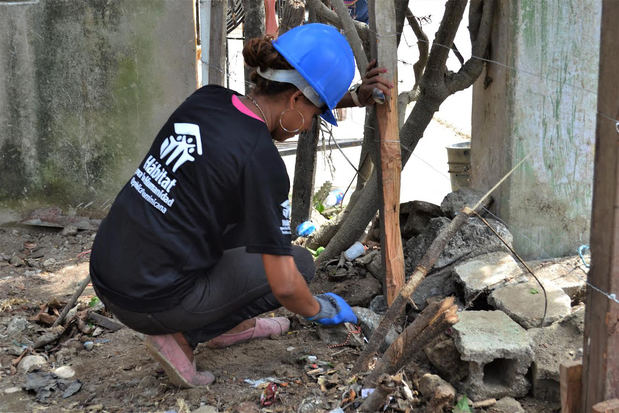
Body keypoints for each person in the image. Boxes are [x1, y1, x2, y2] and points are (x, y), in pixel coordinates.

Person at [89, 23, 392, 388]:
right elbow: (284, 287)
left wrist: (354, 97)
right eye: (314, 115)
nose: (309, 127)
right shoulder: (261, 162)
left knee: (249, 230)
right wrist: (320, 309)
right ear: (296, 100)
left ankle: (226, 324)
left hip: (108, 272)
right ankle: (184, 337)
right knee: (299, 266)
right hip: (148, 300)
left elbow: (281, 110)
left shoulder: (207, 100)